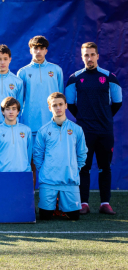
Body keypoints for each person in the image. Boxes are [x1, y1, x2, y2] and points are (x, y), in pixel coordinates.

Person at [65, 42, 123, 215]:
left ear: (98, 56)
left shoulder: (109, 77)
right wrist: (83, 119)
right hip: (84, 131)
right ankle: (84, 203)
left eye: (92, 55)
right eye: (86, 55)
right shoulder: (74, 78)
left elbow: (117, 102)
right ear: (82, 57)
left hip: (105, 131)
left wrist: (104, 117)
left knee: (105, 167)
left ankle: (105, 203)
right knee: (84, 167)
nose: (89, 58)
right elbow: (71, 104)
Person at [17, 36, 64, 186]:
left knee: (51, 163)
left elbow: (60, 97)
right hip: (30, 125)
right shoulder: (23, 72)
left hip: (51, 125)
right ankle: (30, 198)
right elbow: (19, 101)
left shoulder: (55, 70)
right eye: (35, 48)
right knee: (30, 164)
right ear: (30, 50)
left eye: (41, 48)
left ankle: (50, 200)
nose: (38, 51)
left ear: (46, 50)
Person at [34, 92, 88, 221]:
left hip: (69, 180)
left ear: (66, 106)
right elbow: (37, 154)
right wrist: (45, 170)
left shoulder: (76, 129)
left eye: (60, 104)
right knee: (45, 217)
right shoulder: (43, 131)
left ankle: (63, 205)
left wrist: (75, 169)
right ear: (49, 108)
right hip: (48, 181)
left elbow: (82, 153)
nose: (58, 108)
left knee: (74, 217)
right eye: (54, 105)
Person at [0, 97, 32, 172]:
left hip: (23, 173)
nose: (11, 112)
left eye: (14, 109)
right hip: (1, 174)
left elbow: (29, 153)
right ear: (2, 111)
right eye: (7, 109)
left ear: (18, 112)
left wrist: (26, 167)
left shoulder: (26, 131)